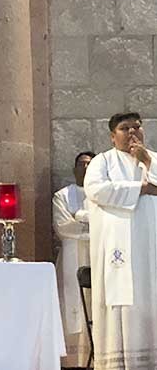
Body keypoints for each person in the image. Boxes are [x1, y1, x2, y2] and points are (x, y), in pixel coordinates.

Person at [84, 112, 157, 369]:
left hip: (152, 246)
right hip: (118, 248)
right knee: (122, 301)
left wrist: (146, 160)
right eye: (125, 128)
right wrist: (140, 189)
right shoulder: (102, 162)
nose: (133, 132)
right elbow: (95, 189)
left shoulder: (153, 159)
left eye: (137, 127)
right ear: (112, 137)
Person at [53, 151, 94, 369]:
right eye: (81, 164)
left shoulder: (102, 195)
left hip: (99, 256)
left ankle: (97, 357)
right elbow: (62, 227)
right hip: (70, 256)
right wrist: (92, 227)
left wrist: (79, 216)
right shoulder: (62, 196)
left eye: (90, 164)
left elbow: (109, 224)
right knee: (70, 303)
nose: (85, 168)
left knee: (95, 303)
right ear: (74, 168)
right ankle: (71, 360)